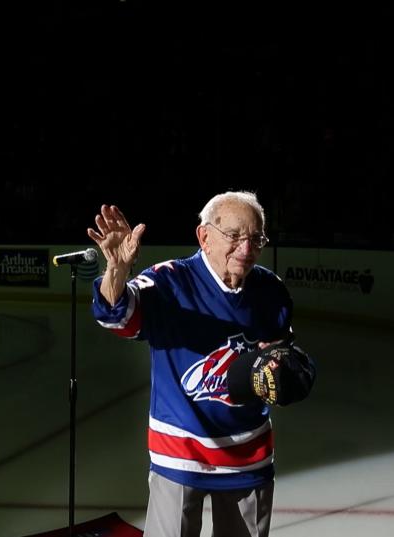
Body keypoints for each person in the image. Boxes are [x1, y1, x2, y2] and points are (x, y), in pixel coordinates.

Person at [88, 191, 304, 537]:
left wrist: (285, 369)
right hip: (179, 454)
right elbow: (116, 316)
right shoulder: (169, 282)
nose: (246, 250)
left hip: (248, 456)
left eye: (255, 239)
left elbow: (281, 353)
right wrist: (117, 269)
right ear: (204, 236)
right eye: (234, 236)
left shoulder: (270, 289)